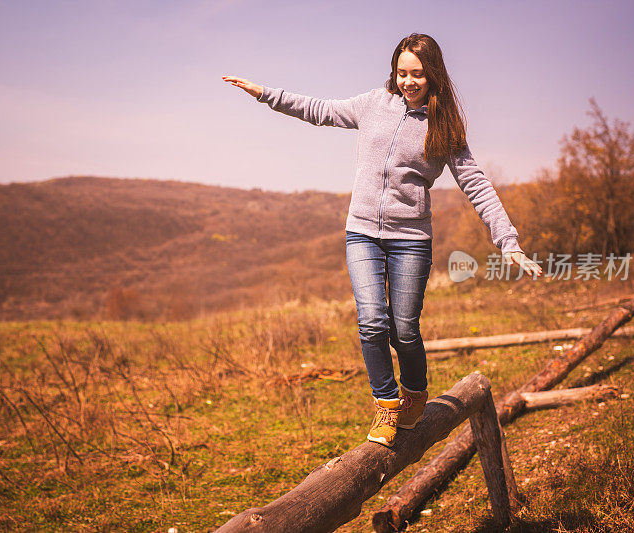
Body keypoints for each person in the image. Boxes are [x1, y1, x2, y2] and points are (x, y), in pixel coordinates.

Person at [222, 33, 543, 447]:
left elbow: (476, 185)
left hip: (411, 239)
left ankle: (415, 392)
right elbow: (320, 110)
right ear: (394, 71)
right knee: (372, 321)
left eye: (418, 74)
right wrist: (266, 93)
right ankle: (387, 405)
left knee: (404, 329)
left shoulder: (444, 126)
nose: (408, 81)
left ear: (433, 76)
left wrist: (508, 240)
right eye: (402, 72)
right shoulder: (374, 104)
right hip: (361, 234)